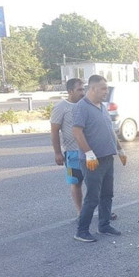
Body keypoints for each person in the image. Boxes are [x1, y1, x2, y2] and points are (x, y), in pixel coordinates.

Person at [71, 75, 126, 242]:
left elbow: (110, 131)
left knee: (107, 194)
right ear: (92, 89)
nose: (106, 91)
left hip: (107, 157)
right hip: (92, 160)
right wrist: (88, 153)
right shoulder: (82, 107)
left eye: (106, 88)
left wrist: (120, 149)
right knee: (93, 197)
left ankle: (104, 225)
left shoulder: (102, 106)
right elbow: (77, 132)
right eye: (103, 88)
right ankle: (81, 231)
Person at [50, 78, 86, 216]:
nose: (83, 93)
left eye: (84, 89)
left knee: (95, 183)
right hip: (72, 153)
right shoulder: (61, 108)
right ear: (70, 91)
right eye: (79, 90)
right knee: (76, 182)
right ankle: (80, 211)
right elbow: (54, 131)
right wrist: (57, 153)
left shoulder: (85, 105)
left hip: (88, 151)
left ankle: (102, 210)